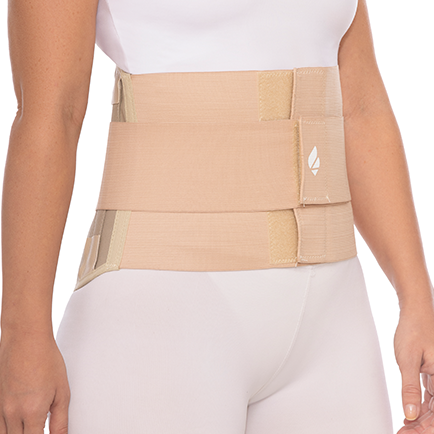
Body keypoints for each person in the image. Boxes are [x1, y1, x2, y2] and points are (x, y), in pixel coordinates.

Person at [0, 0, 433, 433]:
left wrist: (417, 297)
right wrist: (23, 335)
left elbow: (360, 107)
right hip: (160, 318)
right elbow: (50, 117)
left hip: (332, 318)